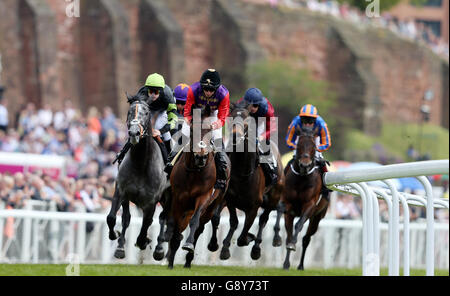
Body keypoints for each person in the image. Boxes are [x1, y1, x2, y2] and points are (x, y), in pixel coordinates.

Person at [165, 69, 230, 192]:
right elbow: (187, 110)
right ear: (201, 86)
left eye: (211, 90)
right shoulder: (193, 90)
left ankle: (221, 174)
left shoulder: (224, 94)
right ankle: (170, 163)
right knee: (183, 137)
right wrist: (189, 121)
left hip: (213, 114)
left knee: (216, 140)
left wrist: (215, 125)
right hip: (196, 113)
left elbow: (222, 117)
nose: (208, 92)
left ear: (217, 88)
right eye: (205, 89)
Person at [114, 73, 176, 165]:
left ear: (161, 91)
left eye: (156, 92)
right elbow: (136, 112)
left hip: (164, 110)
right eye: (151, 91)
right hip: (149, 108)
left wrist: (161, 131)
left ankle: (169, 159)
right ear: (147, 89)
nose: (153, 95)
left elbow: (173, 120)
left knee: (159, 125)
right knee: (137, 127)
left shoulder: (168, 95)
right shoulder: (142, 92)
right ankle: (123, 152)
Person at [285, 104, 332, 196]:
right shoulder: (295, 122)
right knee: (292, 160)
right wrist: (297, 147)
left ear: (315, 120)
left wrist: (315, 149)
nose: (307, 123)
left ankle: (326, 185)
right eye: (304, 120)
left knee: (321, 162)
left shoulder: (321, 124)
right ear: (300, 118)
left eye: (310, 120)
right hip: (301, 141)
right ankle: (282, 180)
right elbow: (289, 140)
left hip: (315, 141)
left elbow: (327, 143)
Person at [236, 87, 278, 186]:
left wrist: (261, 137)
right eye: (250, 105)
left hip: (261, 122)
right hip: (246, 121)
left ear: (260, 104)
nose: (252, 108)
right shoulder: (240, 104)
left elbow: (272, 128)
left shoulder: (267, 110)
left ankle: (271, 170)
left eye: (255, 105)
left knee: (263, 146)